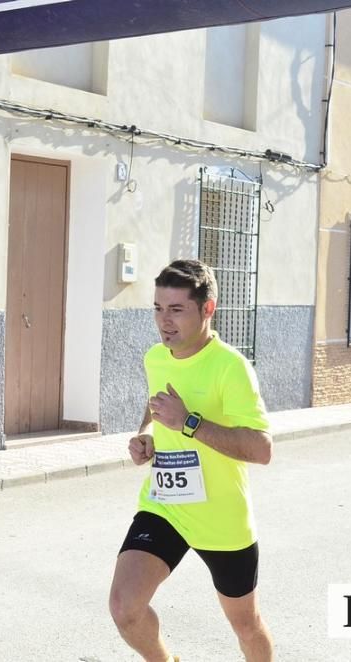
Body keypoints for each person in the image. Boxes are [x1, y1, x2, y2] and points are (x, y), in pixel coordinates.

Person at [108, 259, 274, 662]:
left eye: (177, 309)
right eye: (158, 308)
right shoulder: (156, 357)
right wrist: (146, 435)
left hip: (221, 517)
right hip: (165, 505)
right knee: (124, 608)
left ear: (207, 309)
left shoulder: (231, 367)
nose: (164, 321)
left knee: (246, 625)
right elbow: (155, 407)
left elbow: (261, 449)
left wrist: (189, 423)